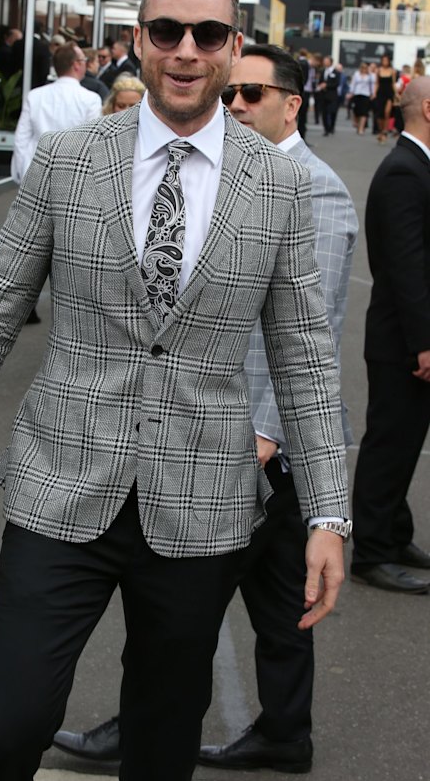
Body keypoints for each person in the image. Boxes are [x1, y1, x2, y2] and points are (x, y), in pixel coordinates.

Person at [0, 0, 349, 781]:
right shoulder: (69, 160)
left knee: (161, 742)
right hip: (60, 481)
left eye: (208, 34)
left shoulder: (280, 190)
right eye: (167, 29)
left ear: (231, 45)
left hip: (202, 507)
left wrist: (328, 515)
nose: (185, 50)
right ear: (137, 38)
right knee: (10, 726)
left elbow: (305, 360)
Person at [53, 43, 358, 774]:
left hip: (250, 448)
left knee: (180, 608)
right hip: (231, 438)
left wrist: (260, 433)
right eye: (236, 93)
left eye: (254, 94)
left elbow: (305, 336)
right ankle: (284, 731)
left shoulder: (311, 190)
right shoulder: (235, 171)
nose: (238, 105)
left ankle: (147, 730)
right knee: (277, 598)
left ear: (293, 101)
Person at [351, 76, 430, 595]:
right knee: (390, 444)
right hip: (403, 338)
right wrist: (424, 342)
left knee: (404, 442)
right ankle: (372, 552)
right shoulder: (405, 169)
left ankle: (395, 534)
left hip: (408, 335)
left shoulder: (414, 163)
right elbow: (406, 266)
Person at [10, 41, 102, 185]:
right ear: (76, 64)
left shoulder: (35, 96)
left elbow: (21, 138)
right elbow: (91, 143)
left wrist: (21, 172)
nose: (85, 64)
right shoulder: (91, 99)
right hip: (71, 176)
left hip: (34, 171)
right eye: (84, 60)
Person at [372, 54, 396, 143]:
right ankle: (381, 130)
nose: (385, 62)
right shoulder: (378, 70)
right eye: (383, 60)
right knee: (379, 114)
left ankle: (385, 131)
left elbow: (393, 83)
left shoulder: (392, 71)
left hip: (389, 93)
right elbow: (377, 83)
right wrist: (374, 93)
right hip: (380, 93)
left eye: (386, 60)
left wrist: (396, 94)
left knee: (387, 112)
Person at [348, 61, 375, 135]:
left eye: (365, 68)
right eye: (362, 68)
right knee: (356, 111)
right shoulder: (357, 74)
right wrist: (351, 92)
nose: (364, 69)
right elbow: (353, 84)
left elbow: (372, 85)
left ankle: (361, 128)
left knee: (364, 112)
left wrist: (373, 93)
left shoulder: (370, 76)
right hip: (357, 94)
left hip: (365, 94)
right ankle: (357, 123)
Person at [317, 56, 341, 136]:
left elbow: (337, 83)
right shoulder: (323, 71)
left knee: (332, 112)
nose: (325, 62)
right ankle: (326, 129)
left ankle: (332, 127)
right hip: (323, 95)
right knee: (324, 112)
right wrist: (321, 86)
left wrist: (327, 85)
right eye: (324, 61)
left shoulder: (336, 72)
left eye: (326, 61)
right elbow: (320, 81)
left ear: (330, 62)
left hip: (332, 95)